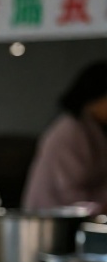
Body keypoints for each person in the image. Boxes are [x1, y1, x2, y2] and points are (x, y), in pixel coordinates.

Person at [22, 61, 107, 212]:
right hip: (51, 219)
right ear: (97, 97)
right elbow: (69, 193)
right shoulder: (70, 130)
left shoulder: (95, 129)